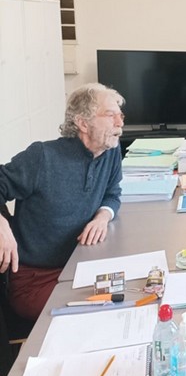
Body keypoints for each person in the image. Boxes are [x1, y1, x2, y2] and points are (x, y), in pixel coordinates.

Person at [0, 83, 125, 320]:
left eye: (120, 115)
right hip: (35, 279)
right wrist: (1, 223)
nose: (120, 123)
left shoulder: (111, 151)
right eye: (110, 115)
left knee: (135, 295)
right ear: (83, 123)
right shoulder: (42, 157)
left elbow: (112, 192)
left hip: (82, 266)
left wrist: (103, 216)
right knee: (102, 316)